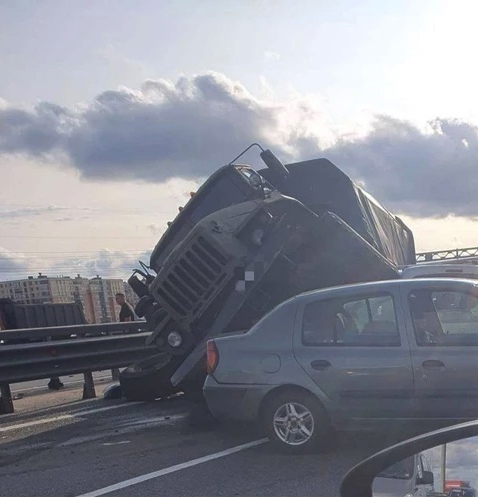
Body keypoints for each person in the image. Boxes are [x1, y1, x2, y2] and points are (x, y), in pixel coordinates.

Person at [112, 293, 135, 381]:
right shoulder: (126, 306)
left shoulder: (125, 307)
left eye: (117, 298)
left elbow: (127, 323)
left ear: (122, 298)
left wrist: (125, 334)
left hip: (130, 334)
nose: (116, 301)